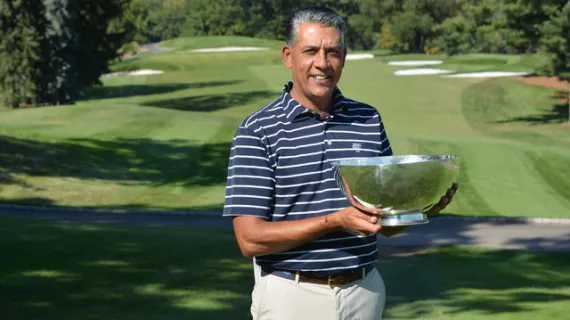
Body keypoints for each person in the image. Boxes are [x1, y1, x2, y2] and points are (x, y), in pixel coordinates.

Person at [222, 5, 458, 320]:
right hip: (291, 295)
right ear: (289, 57)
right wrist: (334, 221)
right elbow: (249, 239)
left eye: (332, 52)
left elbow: (383, 222)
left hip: (364, 291)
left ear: (344, 57)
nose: (322, 63)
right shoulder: (258, 129)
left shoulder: (367, 119)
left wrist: (422, 208)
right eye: (311, 51)